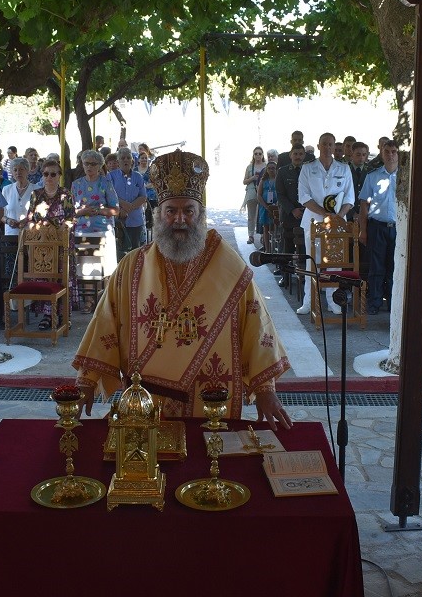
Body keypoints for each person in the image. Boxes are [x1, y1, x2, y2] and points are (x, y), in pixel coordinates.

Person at [73, 150, 292, 430]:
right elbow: (105, 321)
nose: (179, 219)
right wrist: (87, 380)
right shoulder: (132, 266)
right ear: (158, 215)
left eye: (188, 210)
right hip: (145, 405)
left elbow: (256, 323)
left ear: (200, 215)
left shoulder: (229, 266)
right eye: (171, 211)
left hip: (212, 403)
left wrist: (265, 389)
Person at [297, 132, 353, 315]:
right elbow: (304, 196)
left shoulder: (344, 169)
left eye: (331, 144)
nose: (328, 147)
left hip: (337, 223)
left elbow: (350, 197)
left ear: (335, 147)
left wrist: (338, 216)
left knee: (335, 263)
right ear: (318, 146)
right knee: (312, 262)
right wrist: (324, 213)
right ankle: (309, 301)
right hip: (313, 220)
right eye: (324, 144)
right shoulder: (308, 168)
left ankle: (333, 301)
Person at [25, 158, 79, 324]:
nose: (49, 177)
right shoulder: (36, 194)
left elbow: (71, 218)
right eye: (46, 174)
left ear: (59, 175)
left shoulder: (66, 194)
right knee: (44, 278)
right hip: (41, 245)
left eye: (53, 174)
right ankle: (47, 315)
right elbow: (29, 218)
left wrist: (59, 230)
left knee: (62, 278)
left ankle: (63, 315)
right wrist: (36, 229)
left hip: (62, 244)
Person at [71, 149, 119, 310]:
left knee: (105, 268)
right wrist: (83, 211)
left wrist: (98, 210)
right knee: (87, 267)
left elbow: (115, 209)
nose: (89, 167)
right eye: (86, 163)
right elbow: (70, 211)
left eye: (93, 164)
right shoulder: (76, 184)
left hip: (103, 230)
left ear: (100, 166)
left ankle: (103, 300)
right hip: (83, 231)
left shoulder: (106, 183)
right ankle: (89, 300)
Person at [358, 139, 399, 315]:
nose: (390, 155)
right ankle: (374, 302)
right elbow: (364, 205)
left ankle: (393, 303)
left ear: (398, 154)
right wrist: (363, 229)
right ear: (381, 153)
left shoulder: (405, 178)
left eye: (394, 151)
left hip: (398, 228)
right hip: (377, 227)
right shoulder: (372, 176)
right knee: (376, 267)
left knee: (394, 267)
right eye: (387, 151)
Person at [276, 143, 306, 288]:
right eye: (295, 154)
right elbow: (280, 195)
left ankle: (305, 278)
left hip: (306, 215)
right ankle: (285, 277)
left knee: (305, 248)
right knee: (287, 250)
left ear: (304, 155)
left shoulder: (308, 171)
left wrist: (305, 209)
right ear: (290, 155)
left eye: (300, 154)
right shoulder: (282, 172)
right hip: (289, 216)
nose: (298, 157)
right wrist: (292, 210)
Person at [109, 145, 148, 259]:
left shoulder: (138, 177)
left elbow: (143, 197)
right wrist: (122, 206)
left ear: (132, 160)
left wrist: (129, 208)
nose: (125, 160)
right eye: (122, 158)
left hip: (135, 220)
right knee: (118, 254)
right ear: (118, 162)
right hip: (117, 220)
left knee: (135, 252)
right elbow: (109, 195)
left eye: (128, 158)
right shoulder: (111, 176)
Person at [1, 157, 38, 237]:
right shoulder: (6, 190)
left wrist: (27, 220)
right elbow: (1, 214)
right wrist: (8, 221)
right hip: (10, 236)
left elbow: (40, 214)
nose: (18, 172)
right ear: (12, 172)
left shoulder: (37, 189)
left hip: (31, 236)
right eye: (15, 170)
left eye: (21, 169)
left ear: (27, 171)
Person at [242, 147, 267, 245]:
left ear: (262, 155)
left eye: (260, 153)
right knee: (251, 216)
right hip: (252, 192)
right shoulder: (249, 167)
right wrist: (252, 178)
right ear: (253, 155)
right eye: (256, 154)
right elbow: (244, 181)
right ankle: (251, 235)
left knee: (262, 214)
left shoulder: (266, 166)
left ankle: (263, 235)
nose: (258, 155)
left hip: (263, 192)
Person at [256, 160, 279, 252]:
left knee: (275, 227)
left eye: (273, 168)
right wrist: (266, 206)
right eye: (269, 168)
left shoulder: (278, 180)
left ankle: (275, 248)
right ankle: (267, 249)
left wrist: (277, 204)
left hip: (276, 206)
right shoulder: (263, 180)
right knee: (266, 228)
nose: (271, 170)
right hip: (265, 207)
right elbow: (259, 195)